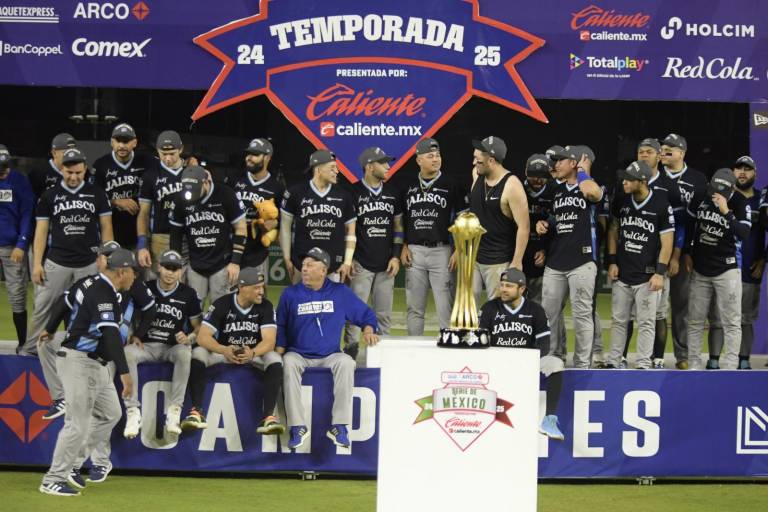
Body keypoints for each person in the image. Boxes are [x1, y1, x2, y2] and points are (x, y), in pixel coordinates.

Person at [38, 249, 137, 496]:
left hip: (97, 364)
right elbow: (111, 334)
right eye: (134, 272)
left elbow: (65, 302)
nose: (136, 277)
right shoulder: (104, 292)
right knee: (77, 424)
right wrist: (124, 372)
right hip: (80, 362)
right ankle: (53, 479)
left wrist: (50, 328)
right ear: (122, 272)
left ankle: (72, 464)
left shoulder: (90, 282)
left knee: (111, 414)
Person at [276, 247, 379, 449]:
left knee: (347, 363)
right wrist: (280, 351)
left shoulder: (339, 292)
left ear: (323, 270)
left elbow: (367, 314)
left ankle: (340, 426)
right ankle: (297, 426)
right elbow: (280, 325)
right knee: (288, 363)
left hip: (330, 354)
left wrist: (368, 330)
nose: (304, 269)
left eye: (309, 265)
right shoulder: (290, 294)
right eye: (303, 265)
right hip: (298, 354)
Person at [19, 148, 113, 357]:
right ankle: (30, 351)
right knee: (43, 308)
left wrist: (106, 255)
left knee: (87, 310)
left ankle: (80, 352)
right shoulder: (49, 195)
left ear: (85, 170)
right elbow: (41, 231)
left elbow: (106, 226)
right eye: (69, 172)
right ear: (62, 169)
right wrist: (36, 264)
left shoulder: (96, 193)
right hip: (57, 262)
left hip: (88, 263)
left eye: (78, 173)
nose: (74, 177)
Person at [183, 267, 284, 435]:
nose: (261, 292)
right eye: (256, 287)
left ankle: (268, 418)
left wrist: (252, 353)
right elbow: (203, 337)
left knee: (274, 358)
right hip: (225, 352)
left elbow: (269, 341)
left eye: (262, 287)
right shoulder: (222, 304)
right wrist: (224, 349)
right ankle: (196, 412)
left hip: (252, 354)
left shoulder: (265, 306)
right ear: (242, 288)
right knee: (198, 353)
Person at [478, 267, 564, 440]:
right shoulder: (489, 308)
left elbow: (544, 344)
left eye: (509, 286)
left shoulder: (535, 310)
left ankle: (549, 420)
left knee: (556, 364)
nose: (503, 289)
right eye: (502, 285)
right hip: (496, 362)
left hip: (526, 361)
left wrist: (528, 362)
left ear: (522, 289)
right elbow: (481, 341)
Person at [536, 145, 603, 368]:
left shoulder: (590, 186)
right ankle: (554, 357)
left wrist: (583, 171)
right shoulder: (557, 190)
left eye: (560, 160)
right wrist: (545, 223)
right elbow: (557, 218)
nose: (555, 164)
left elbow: (593, 193)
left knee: (582, 314)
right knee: (549, 314)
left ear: (574, 163)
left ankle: (582, 363)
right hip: (556, 261)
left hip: (581, 261)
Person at [123, 250, 200, 438]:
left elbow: (199, 328)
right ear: (159, 267)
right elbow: (128, 314)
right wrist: (133, 334)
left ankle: (175, 411)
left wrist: (188, 338)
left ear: (181, 271)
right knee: (127, 353)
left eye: (175, 269)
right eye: (167, 267)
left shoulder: (188, 294)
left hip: (171, 348)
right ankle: (132, 412)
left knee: (184, 353)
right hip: (145, 346)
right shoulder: (144, 287)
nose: (170, 273)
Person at [605, 161, 674, 369]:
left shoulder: (661, 204)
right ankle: (614, 361)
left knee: (646, 323)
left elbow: (667, 241)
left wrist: (660, 272)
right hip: (623, 273)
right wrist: (612, 261)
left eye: (629, 179)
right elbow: (613, 231)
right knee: (618, 321)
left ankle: (643, 364)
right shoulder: (622, 201)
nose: (624, 182)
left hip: (647, 276)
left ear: (642, 181)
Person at [684, 169, 750, 370]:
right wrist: (687, 252)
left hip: (727, 268)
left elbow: (745, 233)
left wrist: (726, 212)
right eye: (713, 188)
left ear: (731, 189)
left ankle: (730, 367)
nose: (715, 193)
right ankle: (694, 364)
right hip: (700, 268)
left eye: (720, 191)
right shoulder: (701, 194)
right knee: (695, 320)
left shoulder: (739, 202)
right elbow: (689, 225)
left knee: (731, 321)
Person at [401, 138, 467, 335]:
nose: (435, 159)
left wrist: (458, 250)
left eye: (438, 155)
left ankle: (448, 347)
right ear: (418, 160)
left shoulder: (452, 184)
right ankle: (414, 348)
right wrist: (404, 245)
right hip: (415, 251)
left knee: (445, 305)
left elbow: (463, 220)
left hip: (443, 251)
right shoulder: (408, 186)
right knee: (414, 306)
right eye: (430, 156)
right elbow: (403, 219)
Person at [344, 147, 403, 362]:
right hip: (361, 262)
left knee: (383, 315)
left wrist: (396, 255)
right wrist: (348, 260)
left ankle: (382, 357)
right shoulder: (352, 192)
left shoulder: (393, 193)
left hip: (386, 263)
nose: (388, 166)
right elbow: (348, 230)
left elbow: (398, 227)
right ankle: (350, 353)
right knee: (354, 314)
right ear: (370, 167)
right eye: (383, 162)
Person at [709, 156, 764, 370]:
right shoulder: (722, 197)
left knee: (745, 318)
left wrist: (763, 259)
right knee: (717, 317)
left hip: (749, 267)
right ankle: (714, 360)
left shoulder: (761, 199)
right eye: (739, 168)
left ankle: (744, 361)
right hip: (721, 266)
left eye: (747, 169)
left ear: (755, 173)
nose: (742, 172)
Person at [660, 133, 708, 369]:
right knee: (654, 309)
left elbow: (697, 221)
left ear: (682, 153)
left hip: (685, 249)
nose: (665, 151)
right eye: (663, 147)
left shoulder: (698, 179)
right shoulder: (653, 175)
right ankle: (652, 356)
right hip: (654, 249)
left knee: (681, 305)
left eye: (671, 148)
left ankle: (683, 355)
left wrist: (685, 252)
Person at [169, 166, 246, 304]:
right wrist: (176, 265)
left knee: (222, 308)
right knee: (193, 309)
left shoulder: (226, 194)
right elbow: (176, 235)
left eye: (195, 190)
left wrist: (235, 262)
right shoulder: (180, 199)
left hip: (222, 264)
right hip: (195, 264)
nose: (191, 195)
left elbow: (240, 228)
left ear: (206, 182)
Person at [280, 150, 356, 283]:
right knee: (302, 303)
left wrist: (347, 262)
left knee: (331, 304)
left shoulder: (344, 195)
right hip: (302, 265)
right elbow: (285, 228)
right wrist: (286, 257)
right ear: (318, 169)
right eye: (332, 168)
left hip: (334, 267)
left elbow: (351, 231)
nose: (337, 171)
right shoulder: (295, 192)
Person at [469, 136, 530, 302]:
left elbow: (524, 227)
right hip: (472, 257)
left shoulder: (512, 185)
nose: (474, 163)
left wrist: (517, 261)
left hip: (498, 260)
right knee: (466, 308)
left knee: (497, 309)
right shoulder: (476, 174)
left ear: (491, 160)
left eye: (478, 160)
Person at [233, 138, 285, 282]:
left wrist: (276, 223)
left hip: (257, 252)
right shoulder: (236, 180)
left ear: (267, 158)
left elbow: (284, 218)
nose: (249, 158)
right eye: (248, 154)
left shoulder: (277, 187)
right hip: (231, 249)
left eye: (255, 154)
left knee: (256, 294)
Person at [137, 130, 187, 275]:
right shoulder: (150, 176)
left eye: (172, 153)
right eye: (163, 154)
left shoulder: (191, 172)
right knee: (158, 283)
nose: (168, 158)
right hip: (161, 237)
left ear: (181, 149)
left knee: (186, 287)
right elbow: (144, 213)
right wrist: (142, 244)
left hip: (189, 236)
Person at [93, 123, 147, 249]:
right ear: (112, 142)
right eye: (118, 141)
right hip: (109, 234)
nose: (121, 146)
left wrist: (189, 166)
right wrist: (115, 201)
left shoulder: (146, 161)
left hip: (139, 235)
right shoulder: (101, 165)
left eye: (126, 141)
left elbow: (169, 165)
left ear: (134, 142)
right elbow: (93, 199)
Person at [0, 148, 34, 346]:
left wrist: (22, 243)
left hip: (12, 247)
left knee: (17, 296)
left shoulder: (19, 181)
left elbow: (27, 213)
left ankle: (22, 343)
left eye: (4, 168)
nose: (2, 172)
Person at [522, 154, 555, 304]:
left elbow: (561, 229)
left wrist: (545, 250)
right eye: (533, 175)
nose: (538, 179)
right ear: (526, 172)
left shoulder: (555, 191)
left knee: (541, 308)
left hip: (543, 260)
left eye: (542, 175)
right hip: (518, 256)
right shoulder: (516, 189)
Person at [28, 133, 77, 199]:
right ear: (54, 153)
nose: (70, 156)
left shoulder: (80, 171)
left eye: (73, 152)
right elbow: (29, 199)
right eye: (65, 152)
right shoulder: (39, 173)